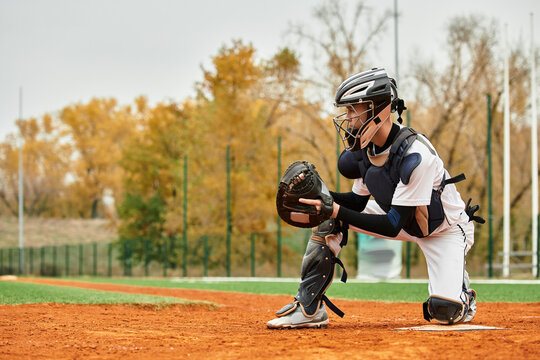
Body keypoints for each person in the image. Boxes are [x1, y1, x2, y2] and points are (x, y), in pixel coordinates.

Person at [267, 68, 484, 329]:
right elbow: (357, 202)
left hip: (443, 229)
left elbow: (393, 224)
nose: (347, 119)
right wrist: (322, 199)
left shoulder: (416, 157)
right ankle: (309, 308)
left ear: (377, 110)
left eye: (352, 110)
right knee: (328, 219)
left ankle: (462, 292)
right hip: (401, 217)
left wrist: (334, 209)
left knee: (444, 311)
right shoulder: (365, 149)